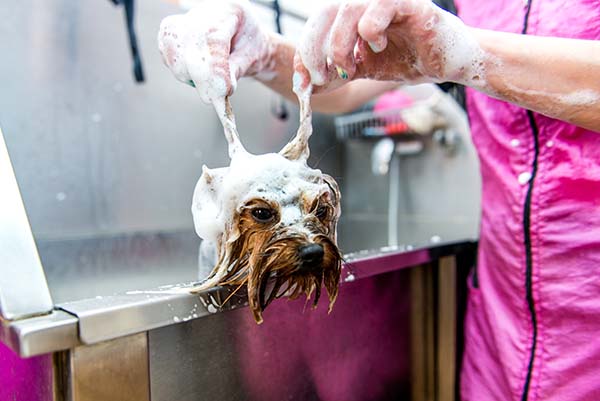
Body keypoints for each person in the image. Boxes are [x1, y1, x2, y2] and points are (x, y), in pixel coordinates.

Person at [158, 0, 600, 400]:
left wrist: (466, 54)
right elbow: (347, 82)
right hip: (501, 334)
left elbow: (444, 53)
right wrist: (265, 51)